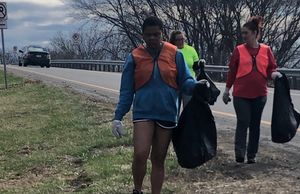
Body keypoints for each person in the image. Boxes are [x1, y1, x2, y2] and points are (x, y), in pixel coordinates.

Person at [111, 16, 207, 194]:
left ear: (162, 33)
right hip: (143, 112)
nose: (153, 38)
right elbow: (126, 91)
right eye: (148, 35)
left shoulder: (175, 54)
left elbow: (185, 81)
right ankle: (137, 190)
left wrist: (196, 85)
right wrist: (118, 117)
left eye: (156, 34)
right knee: (140, 153)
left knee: (158, 158)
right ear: (143, 35)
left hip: (167, 112)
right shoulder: (134, 57)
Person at [223, 16, 282, 164]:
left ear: (255, 33)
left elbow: (271, 68)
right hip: (241, 94)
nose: (243, 36)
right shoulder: (238, 50)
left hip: (260, 94)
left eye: (246, 33)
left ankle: (252, 154)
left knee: (255, 124)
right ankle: (239, 154)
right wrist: (226, 90)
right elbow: (232, 72)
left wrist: (274, 75)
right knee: (243, 121)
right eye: (242, 33)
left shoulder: (266, 50)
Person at [169, 30, 200, 107]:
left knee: (189, 109)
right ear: (173, 41)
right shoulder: (170, 51)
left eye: (182, 39)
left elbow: (196, 67)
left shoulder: (191, 50)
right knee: (175, 109)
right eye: (178, 40)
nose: (180, 41)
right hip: (175, 84)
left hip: (189, 83)